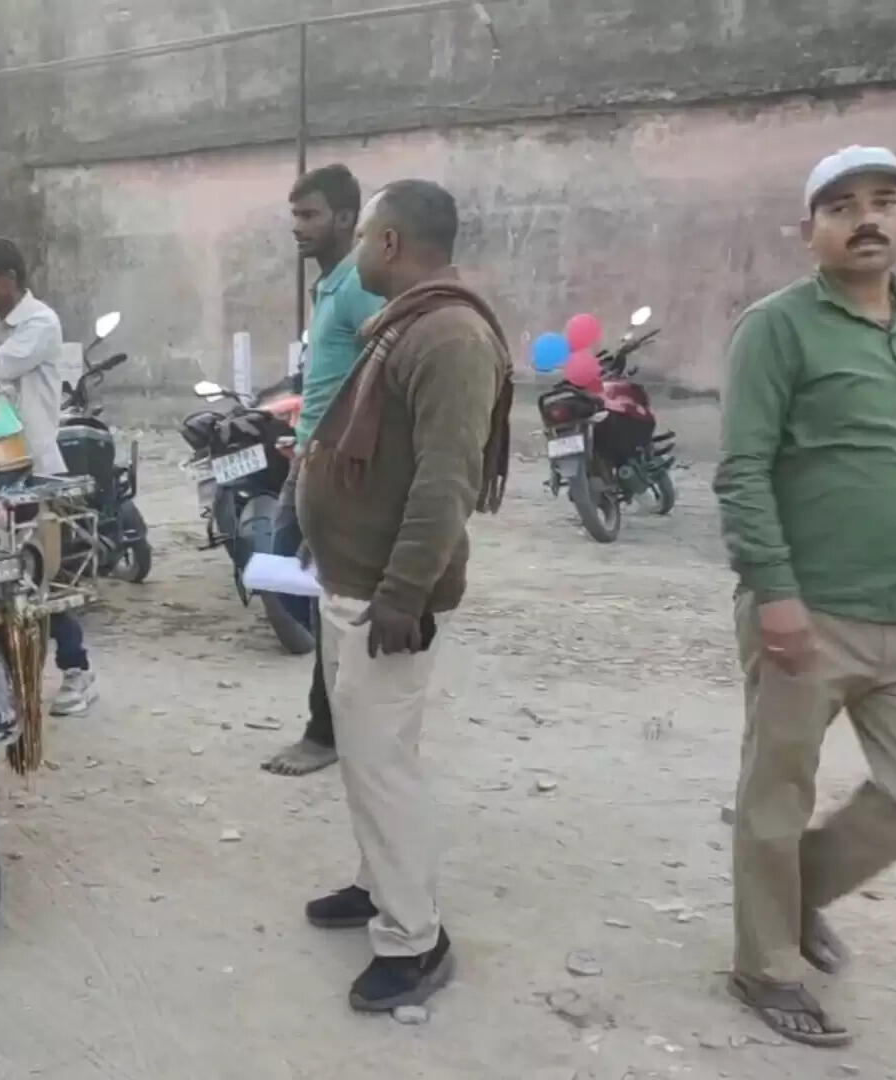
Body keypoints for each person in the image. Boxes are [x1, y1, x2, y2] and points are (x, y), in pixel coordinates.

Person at [714, 145, 896, 1049]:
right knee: (777, 793)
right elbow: (742, 470)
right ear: (810, 234)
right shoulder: (778, 328)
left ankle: (792, 897)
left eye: (884, 200)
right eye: (841, 207)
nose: (866, 218)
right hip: (807, 613)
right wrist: (776, 595)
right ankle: (764, 965)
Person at [298, 179, 511, 1011]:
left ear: (387, 243)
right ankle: (375, 883)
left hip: (388, 597)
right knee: (368, 756)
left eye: (363, 238)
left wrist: (403, 593)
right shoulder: (409, 320)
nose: (355, 252)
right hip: (351, 583)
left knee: (383, 765)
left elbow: (446, 481)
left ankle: (413, 939)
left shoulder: (451, 335)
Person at [262, 164, 385, 777]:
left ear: (344, 218)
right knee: (285, 572)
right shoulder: (330, 286)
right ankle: (342, 702)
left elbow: (384, 371)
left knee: (322, 592)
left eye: (308, 216)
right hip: (305, 455)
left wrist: (341, 448)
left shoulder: (361, 284)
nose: (297, 229)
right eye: (294, 217)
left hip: (332, 467)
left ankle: (327, 728)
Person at [0, 237, 98, 717]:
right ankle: (13, 678)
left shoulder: (40, 323)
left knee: (41, 577)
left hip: (34, 466)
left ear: (9, 280)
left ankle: (77, 669)